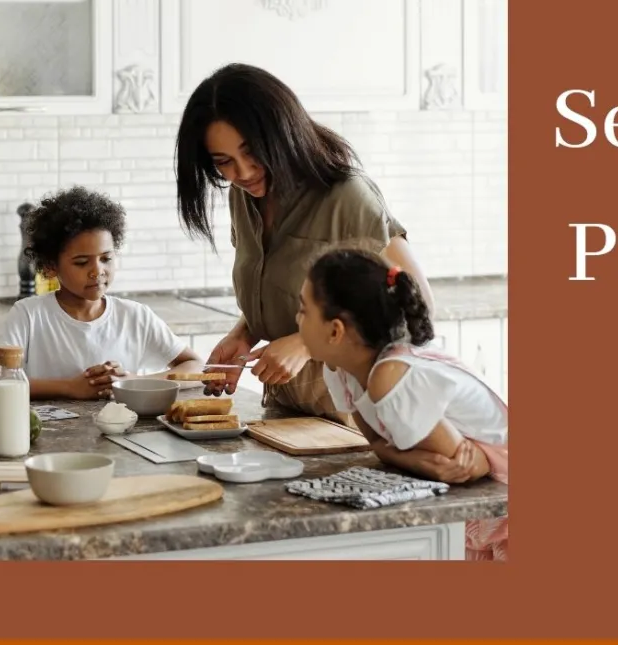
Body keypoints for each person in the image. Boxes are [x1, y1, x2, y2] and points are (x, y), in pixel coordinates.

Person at [174, 63, 434, 423]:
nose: (243, 172)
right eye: (224, 162)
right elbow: (293, 292)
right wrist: (244, 333)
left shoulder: (347, 195)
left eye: (252, 152)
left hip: (355, 418)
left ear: (282, 134)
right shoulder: (245, 195)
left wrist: (304, 345)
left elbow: (414, 310)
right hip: (288, 410)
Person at [297, 248, 508, 560]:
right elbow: (379, 446)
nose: (296, 319)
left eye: (303, 311)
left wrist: (400, 456)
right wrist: (409, 458)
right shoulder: (341, 370)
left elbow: (455, 467)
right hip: (476, 503)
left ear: (335, 330)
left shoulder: (391, 377)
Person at [0, 185, 205, 401]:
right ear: (51, 266)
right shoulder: (29, 315)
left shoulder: (135, 316)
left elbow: (195, 367)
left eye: (106, 259)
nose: (97, 271)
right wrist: (70, 387)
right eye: (82, 262)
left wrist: (133, 381)